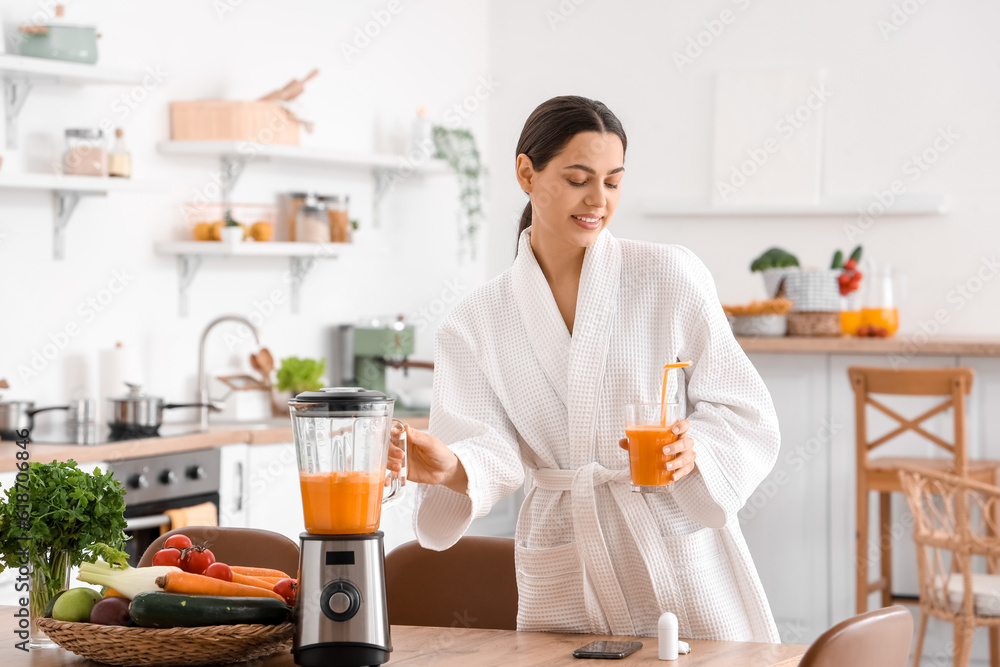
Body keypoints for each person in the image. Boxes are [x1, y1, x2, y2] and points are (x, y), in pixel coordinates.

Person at [388, 95, 781, 641]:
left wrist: (698, 448)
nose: (598, 199)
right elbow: (490, 448)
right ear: (527, 172)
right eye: (578, 179)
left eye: (613, 182)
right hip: (563, 553)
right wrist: (449, 465)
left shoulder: (669, 275)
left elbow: (744, 408)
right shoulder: (476, 319)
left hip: (671, 539)